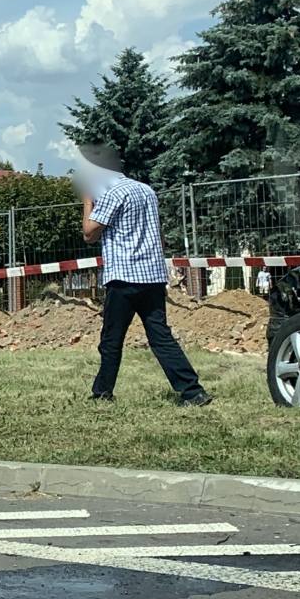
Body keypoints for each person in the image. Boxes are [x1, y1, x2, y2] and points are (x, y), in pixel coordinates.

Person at [77, 146, 211, 407]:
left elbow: (88, 232)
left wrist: (87, 200)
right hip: (152, 275)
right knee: (161, 337)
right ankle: (193, 392)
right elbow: (156, 233)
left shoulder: (112, 194)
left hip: (124, 277)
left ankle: (102, 392)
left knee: (111, 340)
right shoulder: (145, 190)